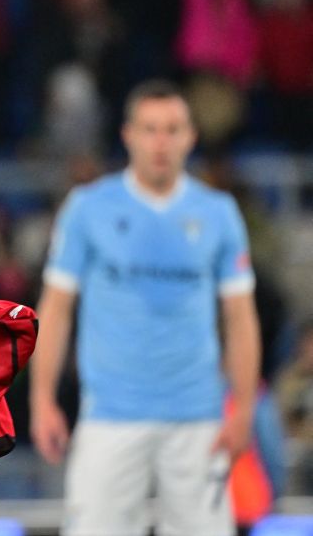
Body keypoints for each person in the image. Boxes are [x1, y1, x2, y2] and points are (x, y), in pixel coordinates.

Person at [29, 79, 261, 536]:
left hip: (197, 418)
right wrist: (42, 399)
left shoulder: (219, 214)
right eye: (150, 129)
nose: (161, 142)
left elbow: (240, 318)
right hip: (109, 415)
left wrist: (244, 409)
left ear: (190, 137)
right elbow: (55, 309)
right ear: (128, 135)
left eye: (172, 129)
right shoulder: (87, 209)